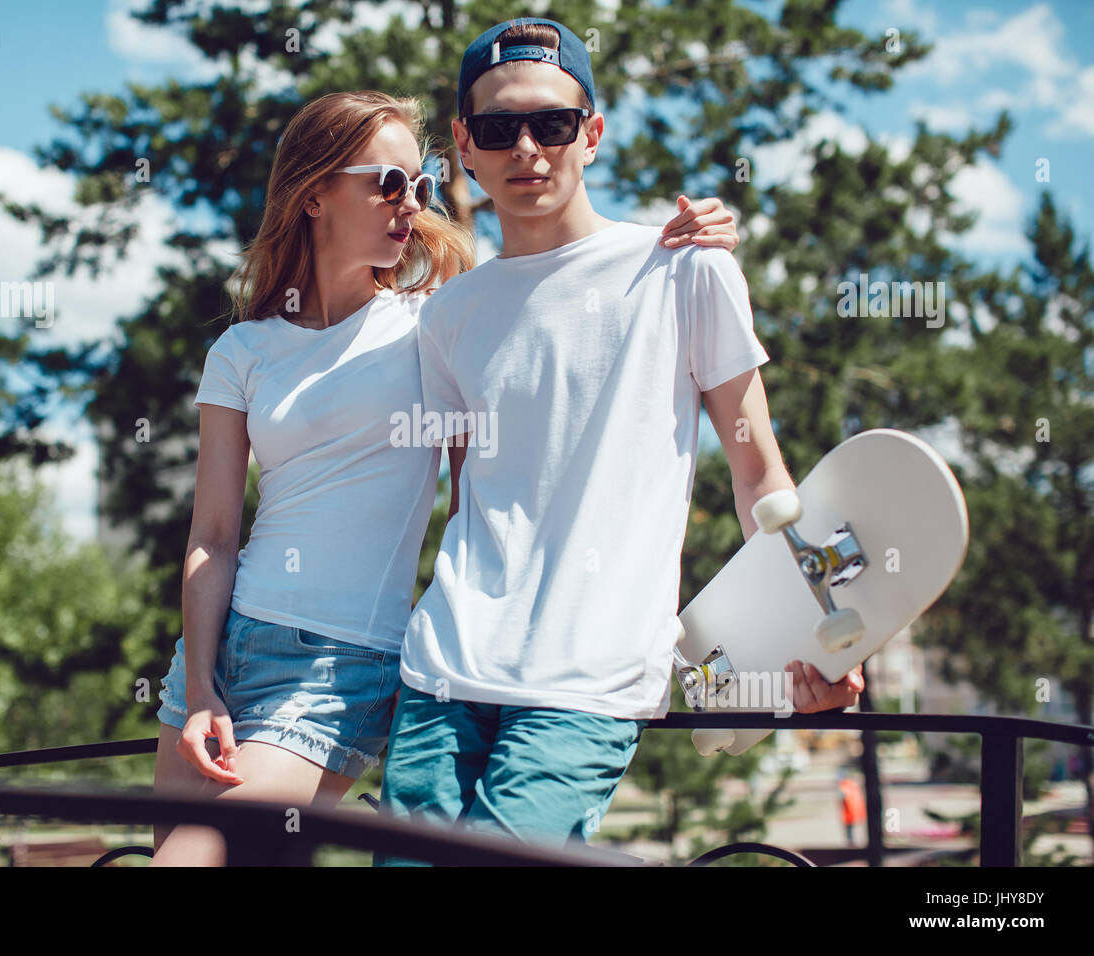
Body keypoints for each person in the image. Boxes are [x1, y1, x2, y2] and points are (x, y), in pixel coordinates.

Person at [148, 87, 743, 865]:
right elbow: (215, 535)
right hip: (222, 647)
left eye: (419, 185)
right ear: (315, 193)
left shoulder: (435, 322)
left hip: (340, 665)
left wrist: (699, 234)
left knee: (189, 861)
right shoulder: (243, 351)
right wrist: (198, 686)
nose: (410, 204)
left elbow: (483, 490)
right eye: (387, 183)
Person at [375, 17, 864, 863]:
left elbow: (760, 477)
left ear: (591, 133)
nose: (526, 147)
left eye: (552, 124)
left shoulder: (686, 267)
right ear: (464, 145)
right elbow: (470, 500)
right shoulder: (449, 315)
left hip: (588, 683)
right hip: (441, 674)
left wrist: (811, 636)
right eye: (497, 129)